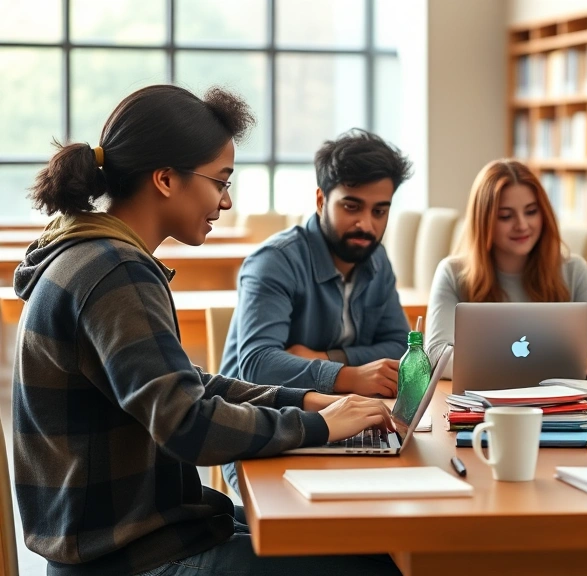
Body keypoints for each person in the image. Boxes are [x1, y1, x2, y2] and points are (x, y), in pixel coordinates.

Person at [12, 85, 400, 576]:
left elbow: (186, 385)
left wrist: (303, 401)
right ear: (166, 179)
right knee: (377, 565)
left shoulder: (99, 254)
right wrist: (321, 426)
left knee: (366, 541)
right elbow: (188, 425)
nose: (227, 201)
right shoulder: (115, 272)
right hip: (125, 557)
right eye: (220, 181)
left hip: (143, 530)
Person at [218, 129, 412, 492]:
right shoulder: (274, 261)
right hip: (265, 430)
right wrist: (351, 376)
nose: (366, 225)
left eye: (379, 211)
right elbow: (258, 364)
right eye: (351, 206)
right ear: (322, 200)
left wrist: (324, 358)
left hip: (348, 421)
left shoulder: (376, 260)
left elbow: (399, 346)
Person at [425, 159, 587, 379]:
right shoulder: (453, 273)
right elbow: (435, 355)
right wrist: (521, 366)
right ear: (484, 221)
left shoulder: (573, 270)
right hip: (483, 403)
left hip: (557, 401)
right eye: (506, 216)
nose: (522, 225)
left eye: (531, 211)